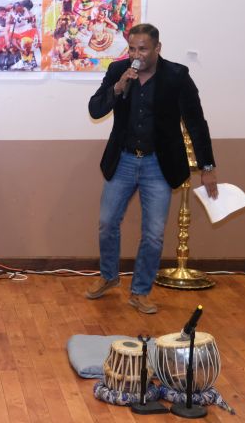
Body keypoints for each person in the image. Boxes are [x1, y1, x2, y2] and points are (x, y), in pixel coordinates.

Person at [87, 23, 218, 314]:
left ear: (157, 48)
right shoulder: (118, 71)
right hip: (123, 160)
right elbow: (95, 109)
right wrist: (118, 87)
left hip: (158, 164)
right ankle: (109, 277)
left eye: (143, 49)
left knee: (153, 234)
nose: (137, 55)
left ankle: (140, 291)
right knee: (107, 223)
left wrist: (207, 166)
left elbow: (196, 122)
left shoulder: (177, 76)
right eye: (132, 49)